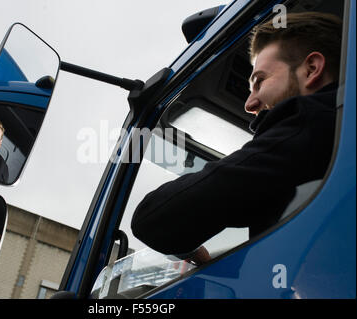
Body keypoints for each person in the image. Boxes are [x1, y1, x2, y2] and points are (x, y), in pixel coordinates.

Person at [131, 12, 342, 264]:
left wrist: (194, 253)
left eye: (260, 81)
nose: (250, 104)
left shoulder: (310, 123)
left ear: (311, 69)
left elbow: (152, 219)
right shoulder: (333, 130)